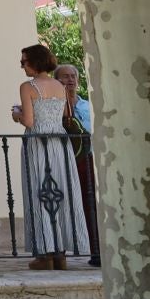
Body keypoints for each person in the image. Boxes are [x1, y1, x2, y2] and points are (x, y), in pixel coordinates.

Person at [15, 42, 89, 269]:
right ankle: (61, 254)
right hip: (60, 144)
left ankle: (45, 254)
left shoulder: (27, 87)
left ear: (35, 62)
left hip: (38, 142)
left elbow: (29, 121)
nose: (22, 66)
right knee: (60, 192)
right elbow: (66, 114)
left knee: (39, 191)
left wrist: (17, 114)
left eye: (24, 61)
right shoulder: (60, 86)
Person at [54, 63, 100, 267]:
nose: (70, 80)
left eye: (73, 76)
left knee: (90, 202)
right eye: (65, 76)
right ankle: (58, 251)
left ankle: (96, 249)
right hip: (62, 160)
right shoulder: (52, 104)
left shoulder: (87, 106)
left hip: (87, 160)